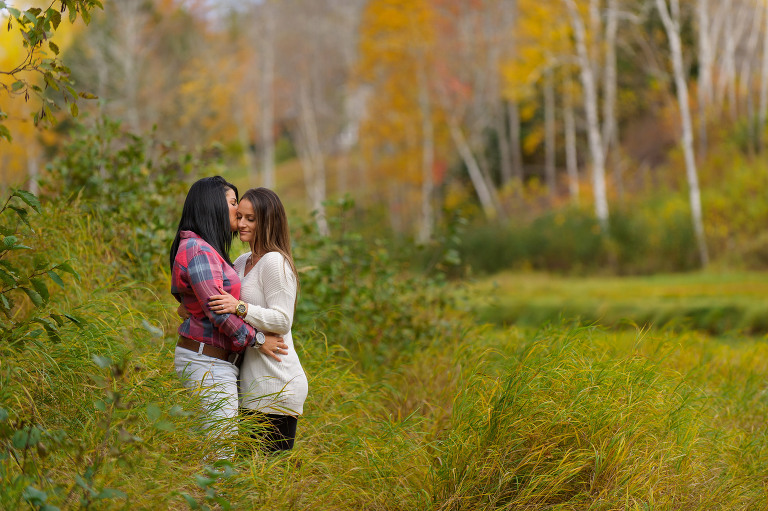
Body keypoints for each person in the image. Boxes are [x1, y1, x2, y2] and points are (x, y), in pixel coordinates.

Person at [170, 177, 287, 458]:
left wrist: (190, 307)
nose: (237, 211)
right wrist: (259, 340)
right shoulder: (199, 250)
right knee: (221, 454)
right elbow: (219, 311)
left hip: (214, 362)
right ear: (212, 205)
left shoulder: (207, 250)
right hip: (207, 362)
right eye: (233, 203)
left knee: (217, 449)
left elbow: (195, 299)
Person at [208, 187, 307, 452]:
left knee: (270, 479)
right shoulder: (241, 262)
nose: (241, 224)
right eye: (239, 216)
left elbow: (282, 320)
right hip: (252, 386)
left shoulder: (274, 261)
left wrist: (240, 307)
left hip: (277, 383)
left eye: (250, 219)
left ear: (267, 221)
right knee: (251, 478)